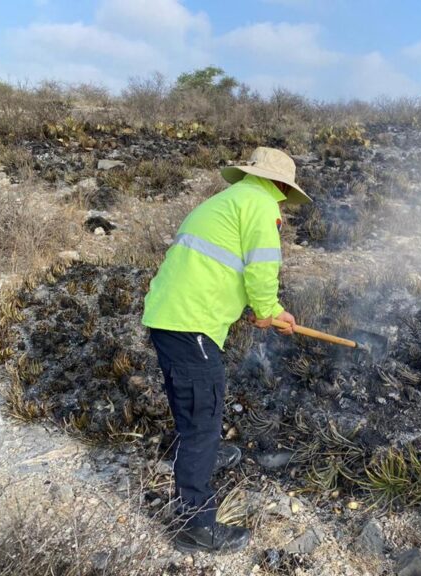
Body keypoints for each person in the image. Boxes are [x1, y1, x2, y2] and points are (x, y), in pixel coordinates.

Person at [142, 147, 312, 553]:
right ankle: (194, 524)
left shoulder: (227, 200)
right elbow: (261, 266)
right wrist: (270, 310)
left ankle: (202, 457)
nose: (284, 205)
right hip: (190, 325)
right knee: (203, 417)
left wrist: (253, 311)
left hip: (170, 319)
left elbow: (215, 270)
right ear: (280, 186)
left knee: (196, 410)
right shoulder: (258, 205)